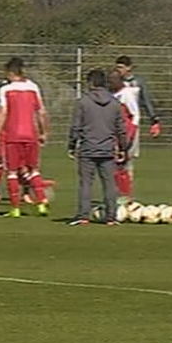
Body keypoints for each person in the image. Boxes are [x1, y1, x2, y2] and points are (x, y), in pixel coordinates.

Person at [67, 69, 128, 226]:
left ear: (90, 83)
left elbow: (76, 126)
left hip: (88, 147)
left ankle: (83, 215)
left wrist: (72, 145)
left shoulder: (83, 102)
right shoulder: (115, 103)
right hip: (107, 148)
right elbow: (121, 128)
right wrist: (123, 148)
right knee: (109, 183)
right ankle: (111, 217)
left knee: (86, 182)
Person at [0, 57, 50, 218]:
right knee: (34, 170)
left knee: (11, 172)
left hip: (12, 135)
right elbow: (41, 112)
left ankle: (16, 208)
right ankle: (41, 201)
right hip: (31, 134)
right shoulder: (33, 87)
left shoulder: (6, 89)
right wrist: (44, 132)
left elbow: (3, 111)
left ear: (11, 73)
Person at [115, 55, 161, 179]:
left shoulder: (138, 83)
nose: (119, 70)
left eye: (121, 67)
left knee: (129, 157)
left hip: (132, 123)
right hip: (115, 123)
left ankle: (127, 193)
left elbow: (145, 101)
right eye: (117, 67)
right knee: (116, 157)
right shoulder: (114, 83)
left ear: (129, 68)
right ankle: (117, 191)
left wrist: (154, 120)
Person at [109, 68, 139, 205]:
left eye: (114, 80)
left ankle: (126, 196)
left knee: (123, 165)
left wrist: (130, 134)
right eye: (109, 80)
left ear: (120, 80)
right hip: (114, 135)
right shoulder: (111, 95)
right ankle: (120, 195)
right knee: (115, 166)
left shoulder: (127, 94)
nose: (111, 83)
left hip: (126, 135)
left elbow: (135, 114)